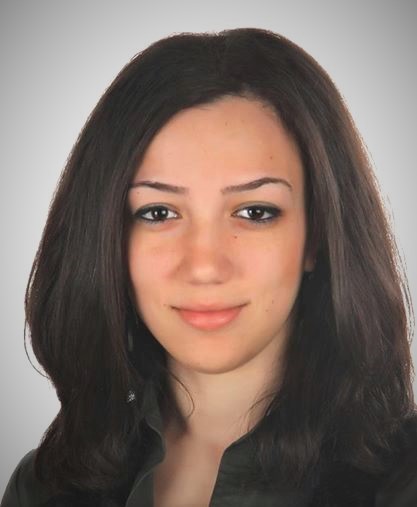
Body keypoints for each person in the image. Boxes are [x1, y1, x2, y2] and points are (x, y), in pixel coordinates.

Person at [2, 27, 417, 507]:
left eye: (255, 212)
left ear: (317, 236)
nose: (204, 267)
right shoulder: (44, 488)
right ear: (107, 239)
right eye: (159, 213)